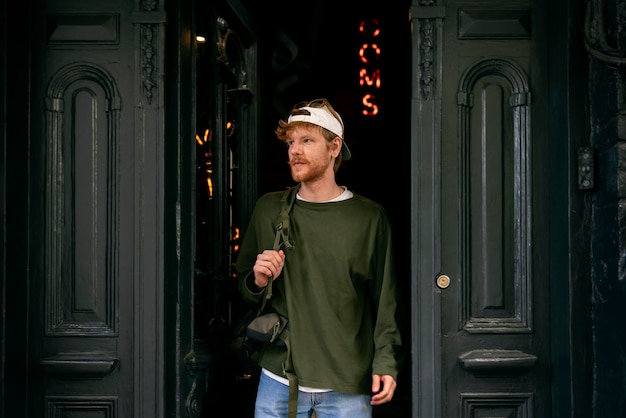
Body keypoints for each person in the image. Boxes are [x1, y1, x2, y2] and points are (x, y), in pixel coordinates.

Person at [236, 98, 404, 417]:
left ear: (334, 147)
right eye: (290, 142)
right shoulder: (269, 210)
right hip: (279, 377)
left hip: (347, 382)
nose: (294, 151)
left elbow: (386, 302)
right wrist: (257, 280)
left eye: (307, 140)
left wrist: (386, 362)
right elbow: (245, 286)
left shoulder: (369, 219)